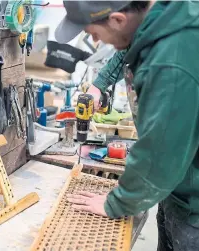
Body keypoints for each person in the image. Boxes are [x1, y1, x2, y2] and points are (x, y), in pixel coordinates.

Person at [55, 1, 199, 250]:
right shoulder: (164, 16)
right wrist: (100, 83)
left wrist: (117, 203)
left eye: (95, 34)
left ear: (118, 20)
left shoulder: (171, 63)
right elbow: (132, 45)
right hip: (178, 188)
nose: (98, 42)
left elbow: (160, 157)